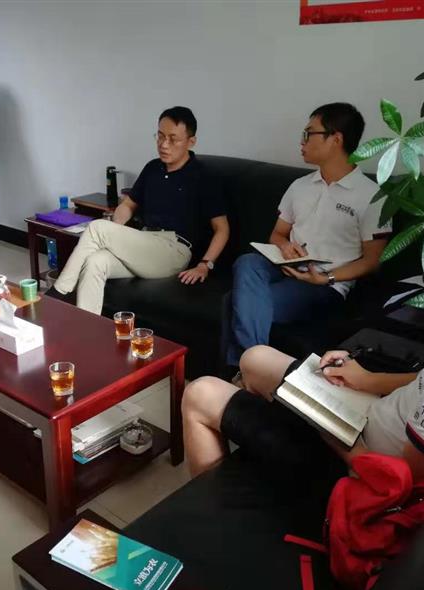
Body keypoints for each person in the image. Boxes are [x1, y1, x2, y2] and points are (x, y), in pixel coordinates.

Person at [220, 103, 391, 371]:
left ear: (336, 139)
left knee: (234, 301)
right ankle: (251, 371)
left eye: (309, 133)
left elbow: (373, 261)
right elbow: (277, 234)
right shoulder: (299, 186)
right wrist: (285, 246)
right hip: (284, 266)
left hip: (325, 284)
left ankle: (242, 372)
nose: (302, 141)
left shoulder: (372, 196)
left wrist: (326, 278)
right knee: (247, 262)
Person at [50, 106, 229, 315]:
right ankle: (87, 330)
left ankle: (56, 296)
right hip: (144, 243)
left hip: (174, 250)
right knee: (95, 262)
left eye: (173, 139)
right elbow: (128, 205)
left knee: (97, 228)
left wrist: (205, 265)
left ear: (191, 142)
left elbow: (222, 229)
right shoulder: (152, 168)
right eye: (160, 136)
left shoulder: (203, 177)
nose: (164, 144)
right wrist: (115, 230)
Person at [182, 345, 424, 485]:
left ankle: (209, 514)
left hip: (357, 463)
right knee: (255, 356)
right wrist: (366, 379)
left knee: (199, 393)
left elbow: (398, 482)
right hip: (373, 413)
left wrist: (333, 434)